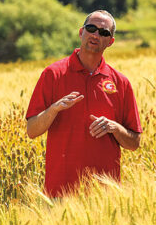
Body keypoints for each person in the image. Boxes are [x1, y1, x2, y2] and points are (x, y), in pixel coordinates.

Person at [25, 10, 142, 198]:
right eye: (91, 28)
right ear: (81, 32)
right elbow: (32, 130)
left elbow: (134, 143)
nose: (96, 35)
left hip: (105, 195)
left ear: (110, 41)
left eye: (103, 32)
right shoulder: (53, 74)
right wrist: (54, 109)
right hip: (60, 193)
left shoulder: (121, 83)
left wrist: (114, 127)